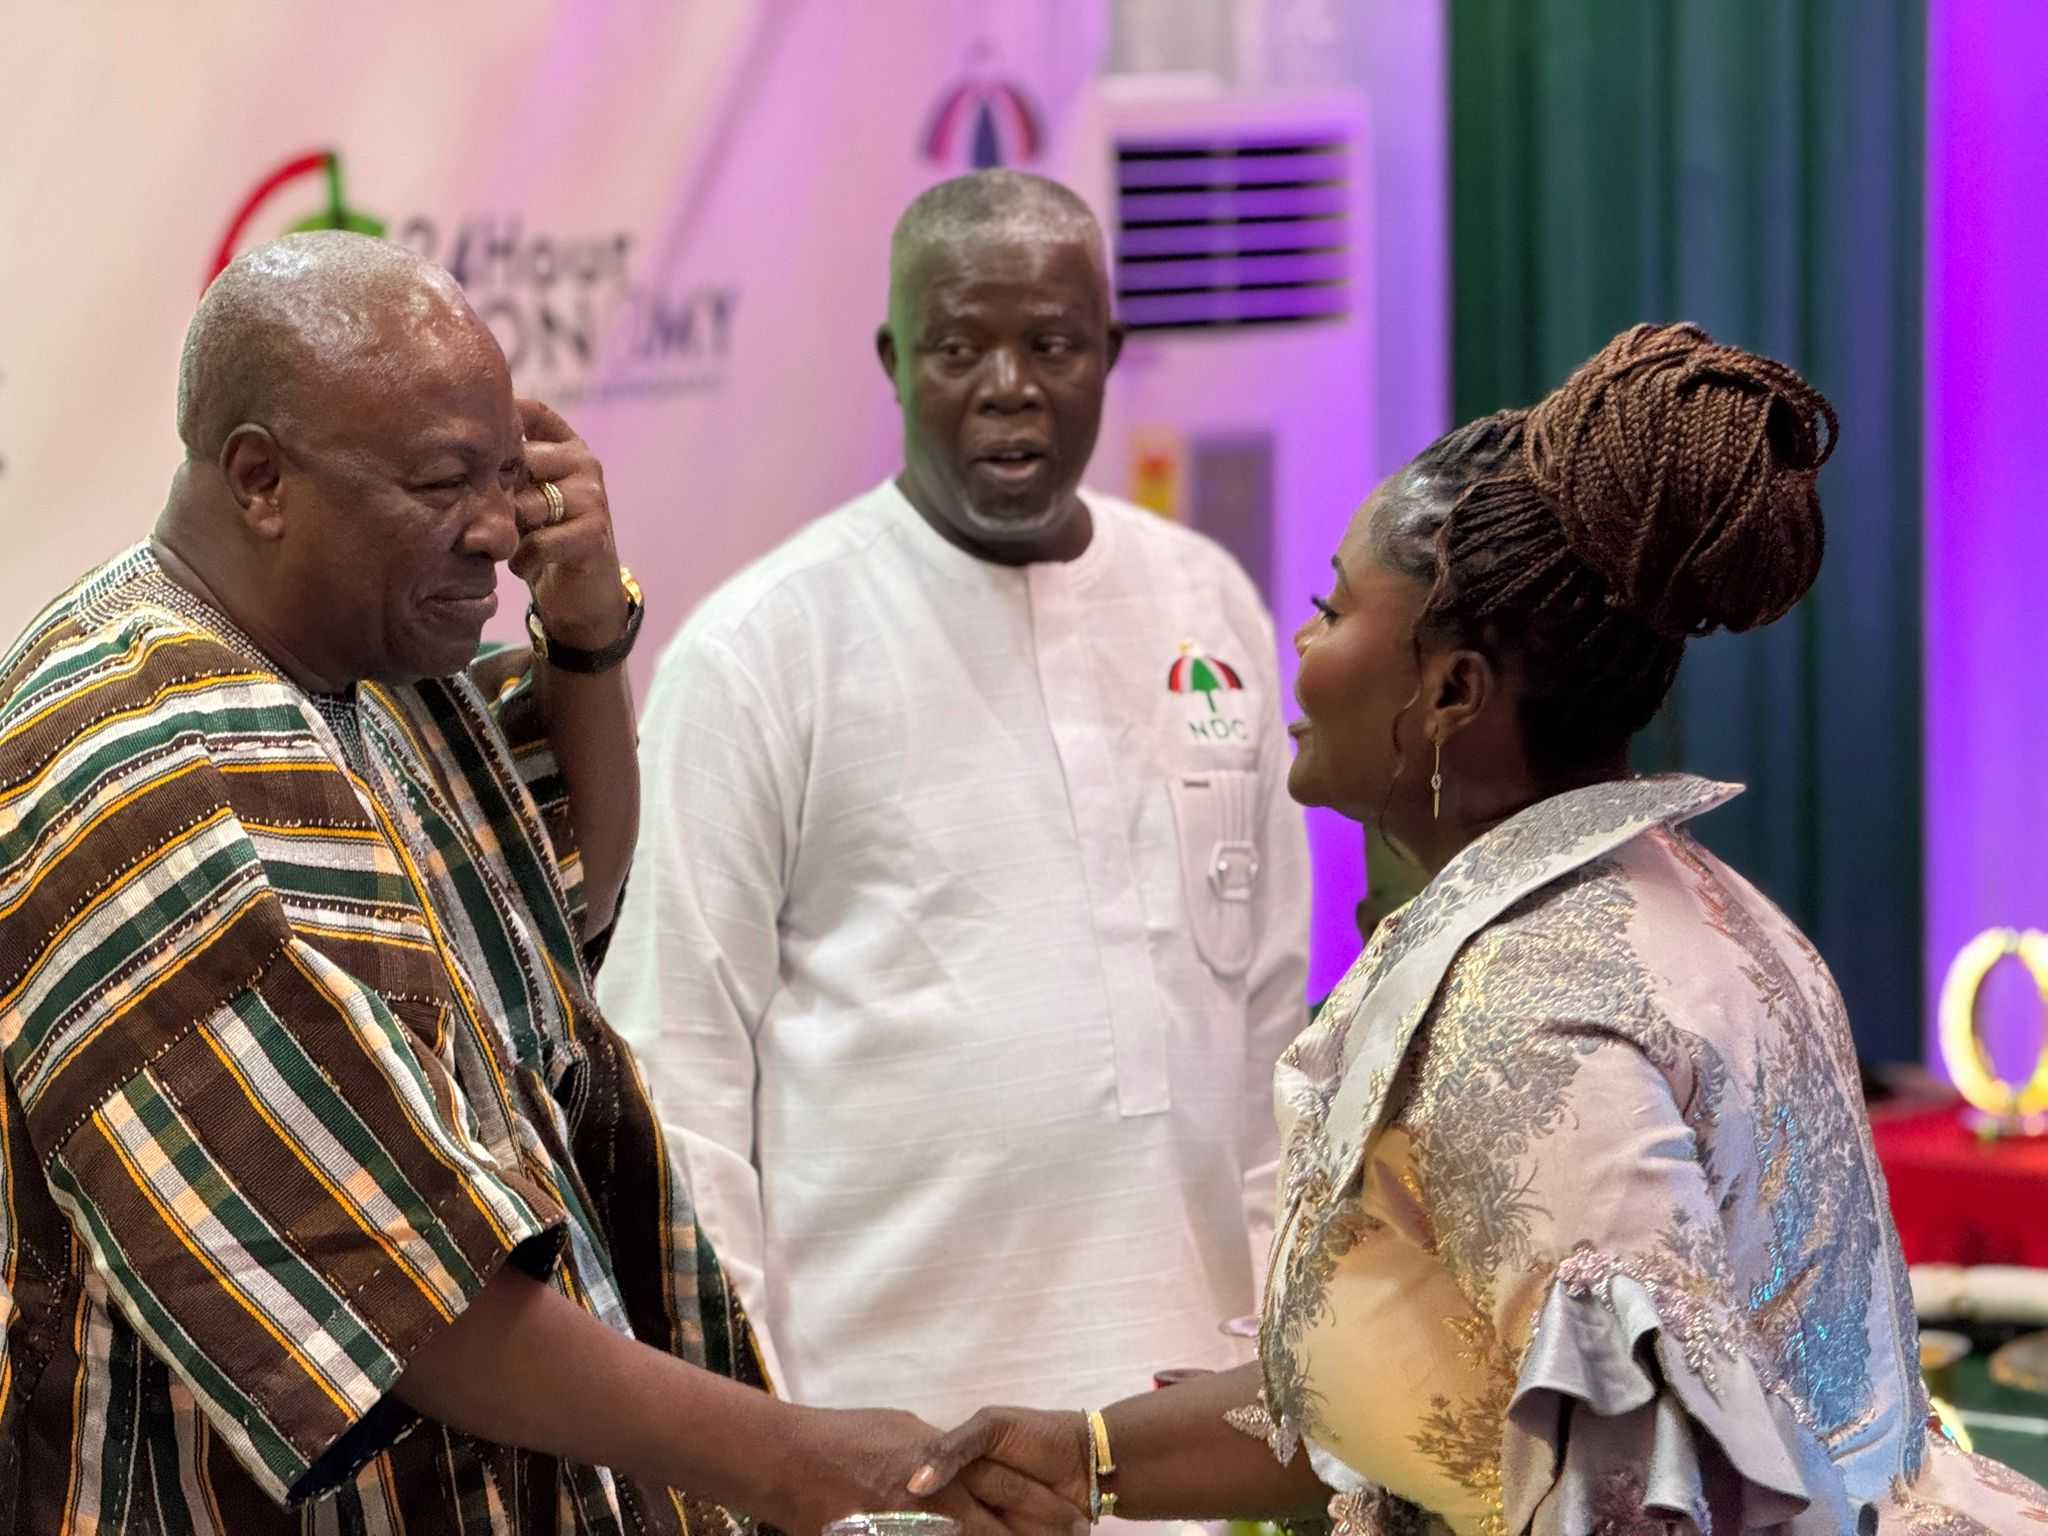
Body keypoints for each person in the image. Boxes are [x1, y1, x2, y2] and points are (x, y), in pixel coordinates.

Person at [0, 232, 1081, 1536]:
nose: (503, 530)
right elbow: (392, 1288)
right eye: (445, 481)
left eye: (513, 475)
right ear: (260, 478)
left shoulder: (375, 671)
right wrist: (796, 1461)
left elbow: (570, 896)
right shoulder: (128, 755)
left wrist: (583, 635)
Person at [906, 325, 2048, 1533]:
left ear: (1449, 692)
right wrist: (1082, 1454)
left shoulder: (1529, 1030)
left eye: (1331, 610)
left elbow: (1633, 1499)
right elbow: (1469, 1399)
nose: (1300, 648)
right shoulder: (1673, 899)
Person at [598, 169, 1310, 1425]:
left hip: (1191, 1417)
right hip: (883, 1433)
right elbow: (677, 1072)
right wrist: (747, 1432)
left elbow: (1261, 1027)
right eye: (958, 347)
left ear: (1109, 353)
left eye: (1049, 344)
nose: (1007, 387)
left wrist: (1281, 1367)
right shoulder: (763, 648)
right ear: (891, 361)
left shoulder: (1207, 602)